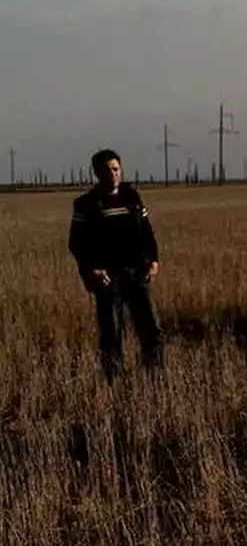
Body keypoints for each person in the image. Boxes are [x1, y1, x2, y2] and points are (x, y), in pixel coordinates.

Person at [68, 149, 163, 381]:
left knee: (152, 330)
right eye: (108, 170)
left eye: (116, 169)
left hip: (136, 273)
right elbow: (76, 243)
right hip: (107, 278)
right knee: (112, 334)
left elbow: (146, 232)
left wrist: (153, 260)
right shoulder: (86, 204)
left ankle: (156, 378)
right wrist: (91, 270)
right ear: (97, 173)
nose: (114, 174)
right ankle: (114, 382)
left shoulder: (132, 198)